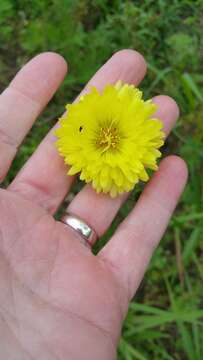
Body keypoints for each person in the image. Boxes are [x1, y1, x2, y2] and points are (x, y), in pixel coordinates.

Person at [0, 50, 187, 359]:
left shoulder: (129, 135)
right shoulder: (81, 136)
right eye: (106, 137)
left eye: (111, 137)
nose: (109, 138)